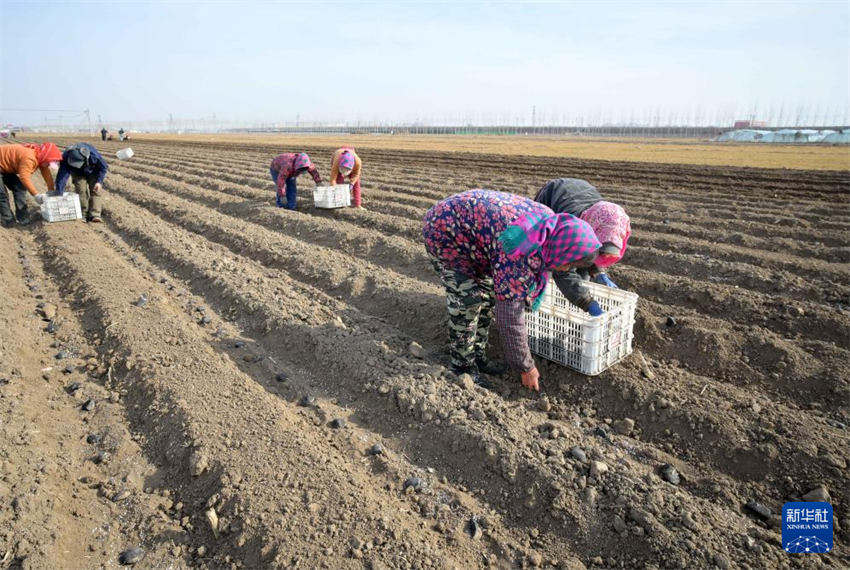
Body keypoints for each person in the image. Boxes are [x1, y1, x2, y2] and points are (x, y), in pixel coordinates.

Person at [423, 189, 601, 391]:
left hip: (472, 229)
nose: (567, 270)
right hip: (445, 231)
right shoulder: (521, 251)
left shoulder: (550, 229)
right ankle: (462, 367)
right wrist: (525, 367)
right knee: (468, 301)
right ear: (561, 252)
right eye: (569, 265)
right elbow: (509, 315)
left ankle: (477, 357)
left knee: (487, 295)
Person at [534, 179, 630, 316]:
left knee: (582, 268)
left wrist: (598, 272)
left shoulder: (612, 218)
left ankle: (574, 306)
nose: (606, 255)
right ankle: (547, 305)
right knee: (549, 262)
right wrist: (586, 302)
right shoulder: (570, 229)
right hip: (553, 195)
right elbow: (562, 270)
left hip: (581, 193)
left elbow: (594, 250)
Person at [0, 142, 62, 227]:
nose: (48, 165)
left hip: (5, 168)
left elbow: (46, 173)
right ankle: (8, 220)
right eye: (48, 162)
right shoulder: (29, 158)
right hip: (3, 166)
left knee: (20, 189)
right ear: (45, 157)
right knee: (2, 194)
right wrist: (36, 195)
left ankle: (22, 218)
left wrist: (51, 190)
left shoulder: (40, 156)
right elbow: (24, 177)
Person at [55, 142, 109, 223]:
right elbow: (61, 177)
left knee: (95, 190)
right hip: (77, 172)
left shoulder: (93, 155)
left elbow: (103, 168)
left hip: (93, 170)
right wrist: (59, 193)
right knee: (80, 190)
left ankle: (95, 214)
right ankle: (83, 214)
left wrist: (99, 182)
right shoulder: (66, 157)